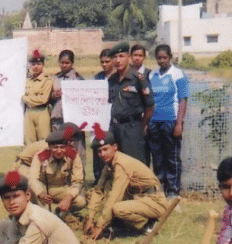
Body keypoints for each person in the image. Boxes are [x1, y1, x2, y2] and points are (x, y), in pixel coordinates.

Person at [83, 129, 168, 241]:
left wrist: (100, 226)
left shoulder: (121, 164)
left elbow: (115, 197)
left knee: (117, 208)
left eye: (105, 149)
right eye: (99, 151)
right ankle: (120, 224)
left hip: (155, 201)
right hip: (140, 198)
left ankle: (149, 224)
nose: (102, 154)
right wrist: (91, 217)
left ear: (115, 147)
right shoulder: (109, 164)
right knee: (107, 187)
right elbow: (98, 191)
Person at [147, 45, 188, 198]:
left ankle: (173, 192)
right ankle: (159, 191)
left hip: (170, 121)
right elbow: (149, 100)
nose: (162, 61)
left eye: (165, 58)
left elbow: (183, 100)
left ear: (170, 57)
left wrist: (179, 123)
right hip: (154, 122)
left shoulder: (178, 74)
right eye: (159, 58)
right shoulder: (152, 75)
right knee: (157, 157)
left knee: (172, 158)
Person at [107, 41, 154, 165]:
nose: (118, 60)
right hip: (115, 127)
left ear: (128, 57)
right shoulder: (112, 79)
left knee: (134, 163)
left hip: (132, 127)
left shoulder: (138, 78)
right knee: (116, 162)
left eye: (121, 56)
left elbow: (150, 105)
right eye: (115, 57)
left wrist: (142, 124)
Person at [28, 129, 86, 218]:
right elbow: (32, 178)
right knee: (32, 189)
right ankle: (43, 212)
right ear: (49, 146)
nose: (59, 151)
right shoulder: (41, 156)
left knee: (80, 202)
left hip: (60, 189)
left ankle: (59, 210)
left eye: (62, 147)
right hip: (43, 188)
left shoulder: (73, 156)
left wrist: (68, 198)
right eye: (55, 147)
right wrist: (40, 193)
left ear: (67, 147)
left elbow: (77, 182)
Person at [48, 50, 86, 160]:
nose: (64, 65)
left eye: (67, 63)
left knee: (76, 150)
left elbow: (86, 98)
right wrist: (54, 95)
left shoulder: (78, 79)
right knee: (59, 149)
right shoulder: (54, 78)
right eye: (62, 62)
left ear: (72, 63)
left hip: (73, 120)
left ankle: (78, 176)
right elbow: (48, 99)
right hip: (58, 119)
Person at [91, 49, 115, 181]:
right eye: (102, 62)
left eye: (107, 61)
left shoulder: (117, 77)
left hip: (113, 119)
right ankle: (98, 179)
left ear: (113, 61)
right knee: (98, 148)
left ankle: (112, 179)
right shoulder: (97, 77)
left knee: (111, 149)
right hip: (99, 118)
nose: (105, 64)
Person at [22, 50, 53, 145]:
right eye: (33, 64)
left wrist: (26, 99)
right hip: (29, 113)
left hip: (42, 111)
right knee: (29, 141)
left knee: (44, 141)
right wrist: (32, 100)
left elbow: (43, 99)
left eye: (39, 64)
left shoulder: (47, 80)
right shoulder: (27, 81)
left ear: (43, 65)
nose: (36, 66)